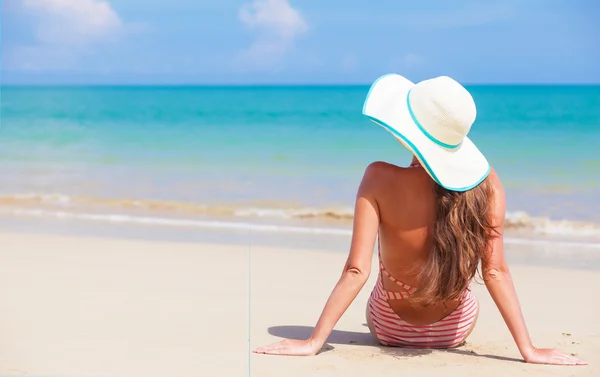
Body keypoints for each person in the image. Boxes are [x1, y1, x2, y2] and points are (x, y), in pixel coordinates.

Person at [253, 74, 587, 365]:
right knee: (462, 293)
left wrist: (313, 342)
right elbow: (495, 270)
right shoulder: (488, 184)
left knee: (384, 285)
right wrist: (527, 349)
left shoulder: (378, 177)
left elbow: (357, 270)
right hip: (454, 328)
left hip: (388, 326)